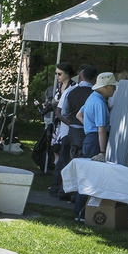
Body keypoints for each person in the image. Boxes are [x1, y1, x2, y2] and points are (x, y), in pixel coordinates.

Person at [73, 71, 117, 223]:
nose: (114, 90)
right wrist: (103, 151)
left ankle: (81, 212)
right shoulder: (99, 102)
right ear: (105, 87)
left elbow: (79, 115)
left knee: (88, 176)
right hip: (96, 140)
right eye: (112, 86)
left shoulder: (92, 97)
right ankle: (81, 213)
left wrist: (88, 126)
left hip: (90, 138)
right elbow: (101, 130)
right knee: (91, 178)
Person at [48, 61, 77, 197]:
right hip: (57, 123)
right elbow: (56, 102)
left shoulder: (73, 86)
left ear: (66, 74)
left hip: (65, 123)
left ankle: (61, 182)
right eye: (56, 74)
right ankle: (56, 179)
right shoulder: (59, 87)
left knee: (63, 152)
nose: (57, 76)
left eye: (59, 74)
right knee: (56, 150)